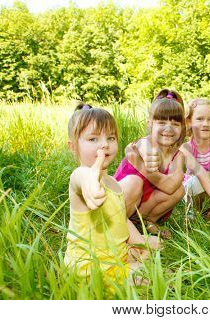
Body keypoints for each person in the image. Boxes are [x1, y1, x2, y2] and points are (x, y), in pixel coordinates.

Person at [64, 103, 158, 285]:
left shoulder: (113, 183)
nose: (104, 145)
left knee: (154, 244)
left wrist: (140, 244)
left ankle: (133, 261)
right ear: (73, 147)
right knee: (154, 276)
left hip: (114, 253)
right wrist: (89, 184)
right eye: (93, 139)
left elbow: (121, 218)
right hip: (91, 267)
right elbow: (81, 179)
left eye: (111, 138)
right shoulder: (81, 175)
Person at [115, 90, 210, 238]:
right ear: (149, 124)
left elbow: (170, 187)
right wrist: (144, 158)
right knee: (134, 182)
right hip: (119, 203)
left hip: (141, 206)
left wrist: (143, 168)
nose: (168, 129)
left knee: (178, 190)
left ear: (182, 128)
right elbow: (144, 149)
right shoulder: (143, 144)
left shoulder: (178, 155)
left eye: (175, 124)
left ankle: (143, 223)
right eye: (161, 122)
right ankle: (118, 226)